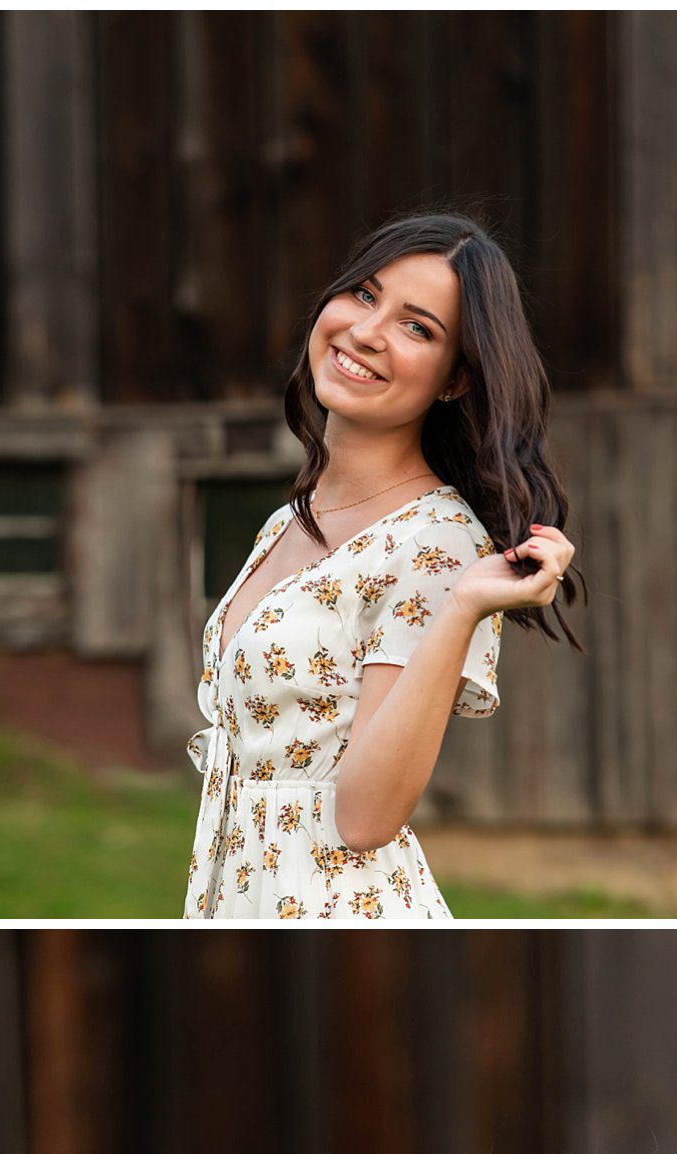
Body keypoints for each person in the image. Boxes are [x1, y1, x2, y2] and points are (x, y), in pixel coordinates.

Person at [186, 211, 580, 921]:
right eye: (365, 295)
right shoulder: (287, 521)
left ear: (457, 380)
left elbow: (366, 820)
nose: (367, 332)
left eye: (417, 327)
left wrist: (462, 610)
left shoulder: (436, 546)